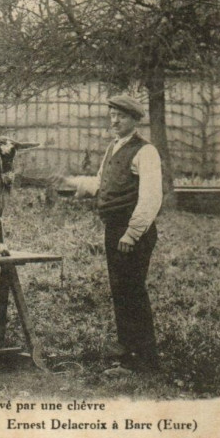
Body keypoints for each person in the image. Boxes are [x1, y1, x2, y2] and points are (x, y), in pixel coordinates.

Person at [70, 95, 162, 374]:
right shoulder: (113, 147)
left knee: (132, 292)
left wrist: (132, 234)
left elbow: (150, 198)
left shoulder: (145, 152)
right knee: (121, 292)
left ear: (134, 120)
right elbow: (102, 182)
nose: (114, 120)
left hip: (132, 231)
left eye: (120, 116)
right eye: (111, 114)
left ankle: (143, 360)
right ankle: (128, 354)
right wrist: (78, 185)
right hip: (114, 229)